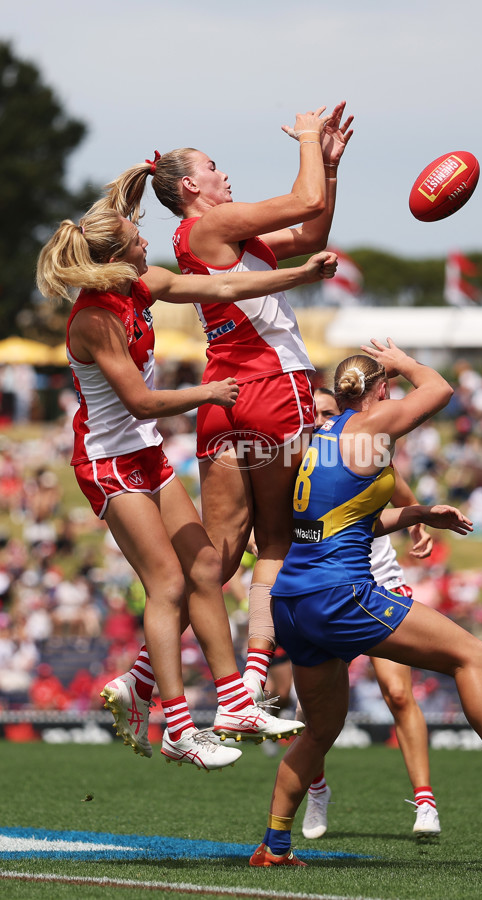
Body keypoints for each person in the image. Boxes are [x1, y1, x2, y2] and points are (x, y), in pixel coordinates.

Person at [249, 340, 482, 867]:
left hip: (292, 598)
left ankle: (274, 845)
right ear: (380, 391)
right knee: (472, 655)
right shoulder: (371, 425)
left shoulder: (323, 439)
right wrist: (404, 363)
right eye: (387, 387)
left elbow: (343, 522)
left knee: (320, 730)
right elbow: (440, 390)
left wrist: (416, 515)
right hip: (339, 594)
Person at [35, 207, 337, 771]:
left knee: (205, 566)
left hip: (146, 453)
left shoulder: (141, 286)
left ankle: (235, 704)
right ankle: (177, 727)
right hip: (108, 462)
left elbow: (222, 286)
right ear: (114, 257)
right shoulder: (95, 319)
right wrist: (209, 394)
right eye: (135, 239)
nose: (145, 243)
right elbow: (141, 402)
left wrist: (301, 274)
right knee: (168, 583)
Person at [91, 103, 353, 702]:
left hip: (223, 396)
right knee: (279, 539)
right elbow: (305, 201)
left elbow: (311, 232)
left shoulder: (217, 236)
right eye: (213, 167)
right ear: (190, 186)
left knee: (220, 555)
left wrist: (330, 168)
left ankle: (141, 676)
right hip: (272, 384)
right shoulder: (216, 224)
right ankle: (255, 680)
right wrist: (308, 139)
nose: (224, 174)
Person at [300, 388, 441, 841]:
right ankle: (317, 790)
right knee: (312, 709)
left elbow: (395, 483)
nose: (319, 420)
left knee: (398, 693)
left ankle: (425, 801)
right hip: (322, 588)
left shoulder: (363, 446)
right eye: (312, 414)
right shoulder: (294, 463)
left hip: (377, 580)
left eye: (327, 412)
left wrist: (417, 523)